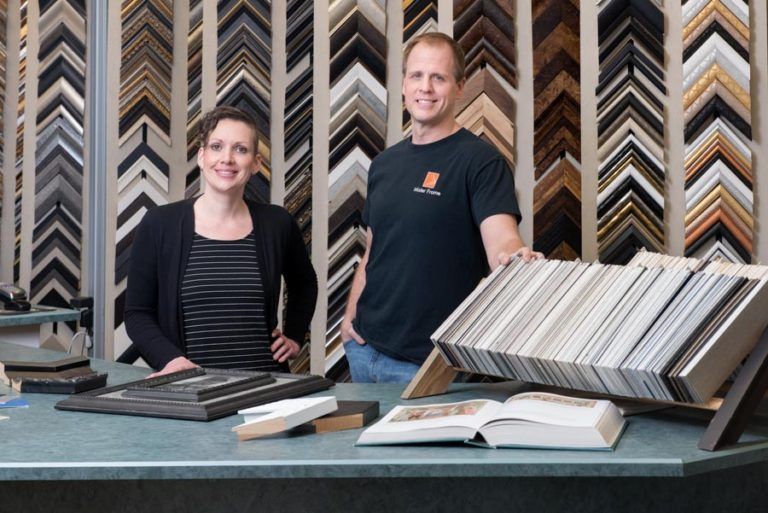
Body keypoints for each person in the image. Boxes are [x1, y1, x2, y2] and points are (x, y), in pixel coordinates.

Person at [340, 32, 542, 383]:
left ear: (460, 86)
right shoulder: (385, 164)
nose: (426, 88)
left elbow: (503, 242)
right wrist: (349, 318)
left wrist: (516, 255)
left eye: (439, 77)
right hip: (363, 351)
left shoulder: (481, 163)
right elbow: (375, 250)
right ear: (403, 84)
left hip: (429, 367)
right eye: (416, 76)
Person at [124, 106, 317, 377]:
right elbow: (137, 313)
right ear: (202, 157)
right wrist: (170, 360)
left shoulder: (277, 223)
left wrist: (295, 336)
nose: (227, 158)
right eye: (216, 146)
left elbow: (305, 284)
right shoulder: (159, 224)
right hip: (191, 389)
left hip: (266, 387)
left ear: (256, 163)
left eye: (240, 149)